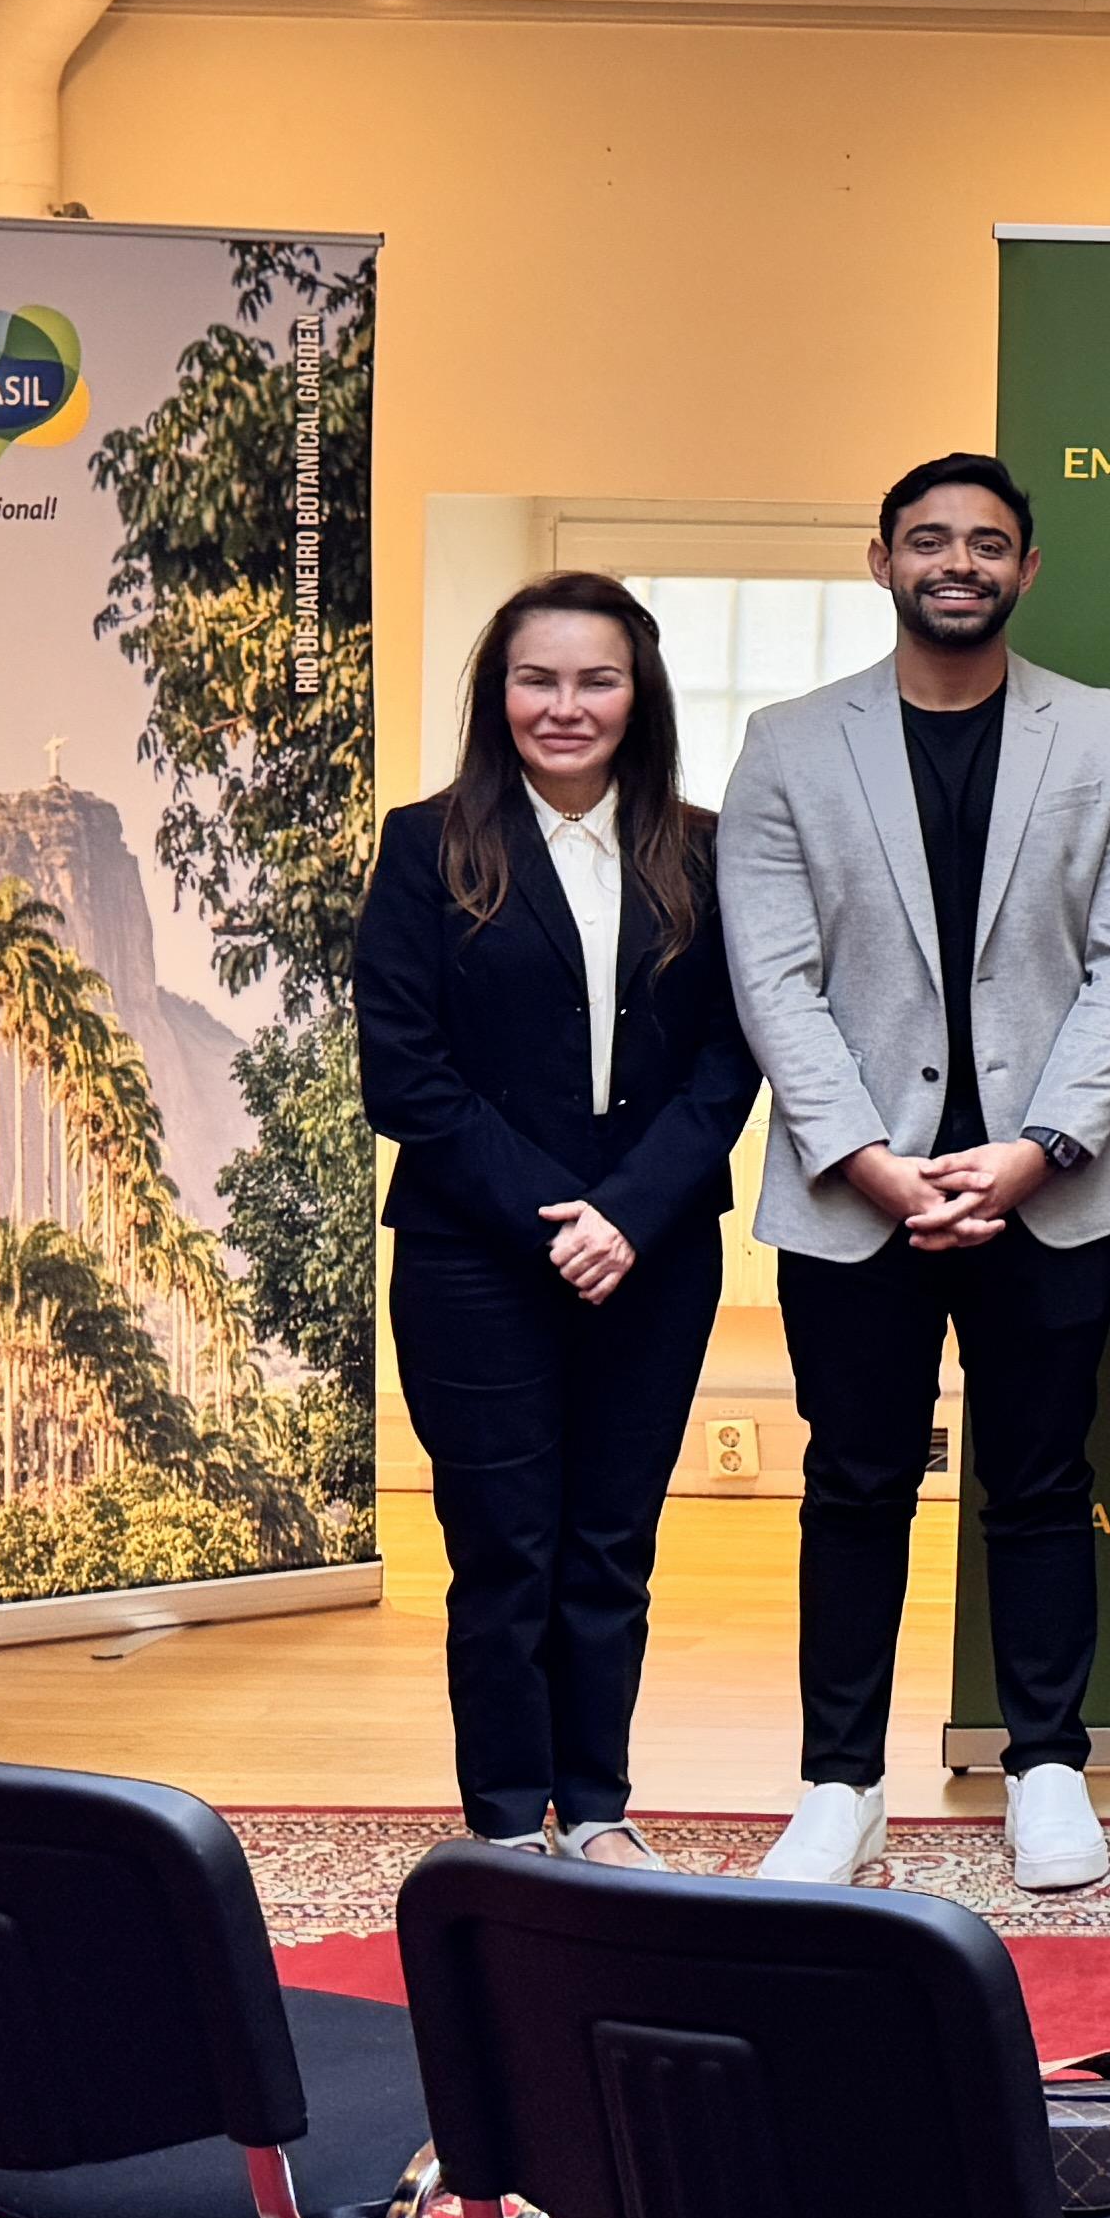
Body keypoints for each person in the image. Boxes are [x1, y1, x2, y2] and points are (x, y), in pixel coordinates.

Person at [718, 455, 1110, 1897]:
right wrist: (868, 1158)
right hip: (854, 1194)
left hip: (1050, 1186)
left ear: (1027, 569)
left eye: (987, 542)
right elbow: (773, 979)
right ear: (883, 561)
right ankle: (840, 1787)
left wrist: (1040, 1149)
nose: (958, 563)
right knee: (852, 1485)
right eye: (930, 540)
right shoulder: (788, 744)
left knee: (1042, 1481)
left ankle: (1047, 1766)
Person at [353, 575, 762, 1863]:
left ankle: (594, 1810)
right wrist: (557, 1221)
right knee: (503, 1552)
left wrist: (626, 1216)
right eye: (538, 678)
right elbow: (404, 1075)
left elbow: (731, 1061)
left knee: (610, 1546)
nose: (565, 705)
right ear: (499, 693)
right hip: (474, 1254)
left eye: (597, 679)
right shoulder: (426, 847)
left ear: (639, 696)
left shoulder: (706, 850)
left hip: (654, 1252)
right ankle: (503, 1826)